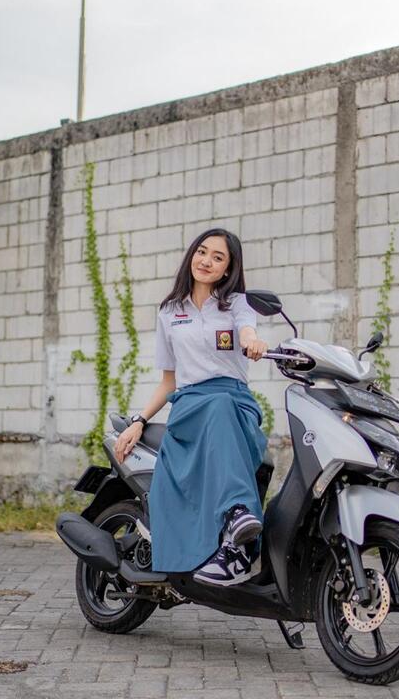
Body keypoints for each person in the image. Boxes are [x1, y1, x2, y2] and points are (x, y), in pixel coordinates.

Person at [114, 228, 269, 586]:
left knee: (221, 406)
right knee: (214, 407)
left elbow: (246, 329)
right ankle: (236, 515)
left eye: (218, 257)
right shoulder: (170, 312)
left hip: (233, 402)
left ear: (228, 269)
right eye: (202, 252)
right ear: (192, 255)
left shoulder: (238, 304)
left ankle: (235, 529)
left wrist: (253, 341)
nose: (207, 261)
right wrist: (139, 420)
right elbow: (169, 381)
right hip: (189, 407)